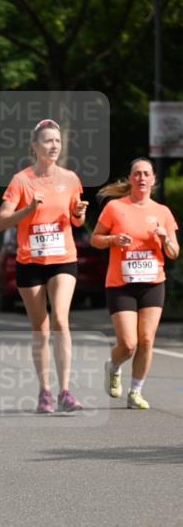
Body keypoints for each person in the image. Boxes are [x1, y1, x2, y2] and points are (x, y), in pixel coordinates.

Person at [0, 118, 88, 413]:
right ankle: (44, 391)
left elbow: (76, 220)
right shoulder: (21, 181)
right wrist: (29, 209)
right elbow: (1, 222)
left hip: (63, 258)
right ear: (34, 146)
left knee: (60, 318)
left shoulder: (70, 179)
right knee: (41, 327)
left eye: (57, 141)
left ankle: (65, 391)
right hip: (30, 261)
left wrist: (79, 213)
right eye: (48, 141)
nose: (53, 145)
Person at [91, 158, 179, 409]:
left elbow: (174, 252)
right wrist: (112, 239)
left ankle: (135, 392)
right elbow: (95, 238)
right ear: (130, 178)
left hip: (153, 283)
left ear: (153, 179)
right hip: (121, 283)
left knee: (147, 340)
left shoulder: (162, 212)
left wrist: (165, 239)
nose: (141, 178)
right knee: (129, 344)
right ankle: (113, 366)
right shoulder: (115, 207)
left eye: (146, 174)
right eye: (137, 173)